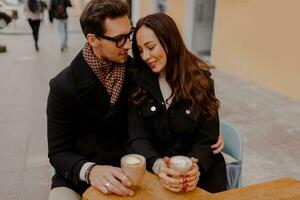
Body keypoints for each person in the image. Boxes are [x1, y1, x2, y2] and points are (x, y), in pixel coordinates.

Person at [47, 1, 224, 199]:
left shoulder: (138, 73)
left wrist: (210, 135)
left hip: (130, 169)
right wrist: (90, 171)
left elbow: (173, 107)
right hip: (80, 174)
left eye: (128, 34)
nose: (127, 45)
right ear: (93, 39)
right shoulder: (62, 86)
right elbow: (57, 153)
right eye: (119, 39)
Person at [127, 12, 227, 193]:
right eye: (140, 50)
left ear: (169, 41)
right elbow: (137, 136)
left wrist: (195, 168)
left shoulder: (201, 81)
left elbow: (207, 140)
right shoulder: (138, 82)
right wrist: (158, 166)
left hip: (203, 177)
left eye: (151, 47)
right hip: (158, 175)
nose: (145, 56)